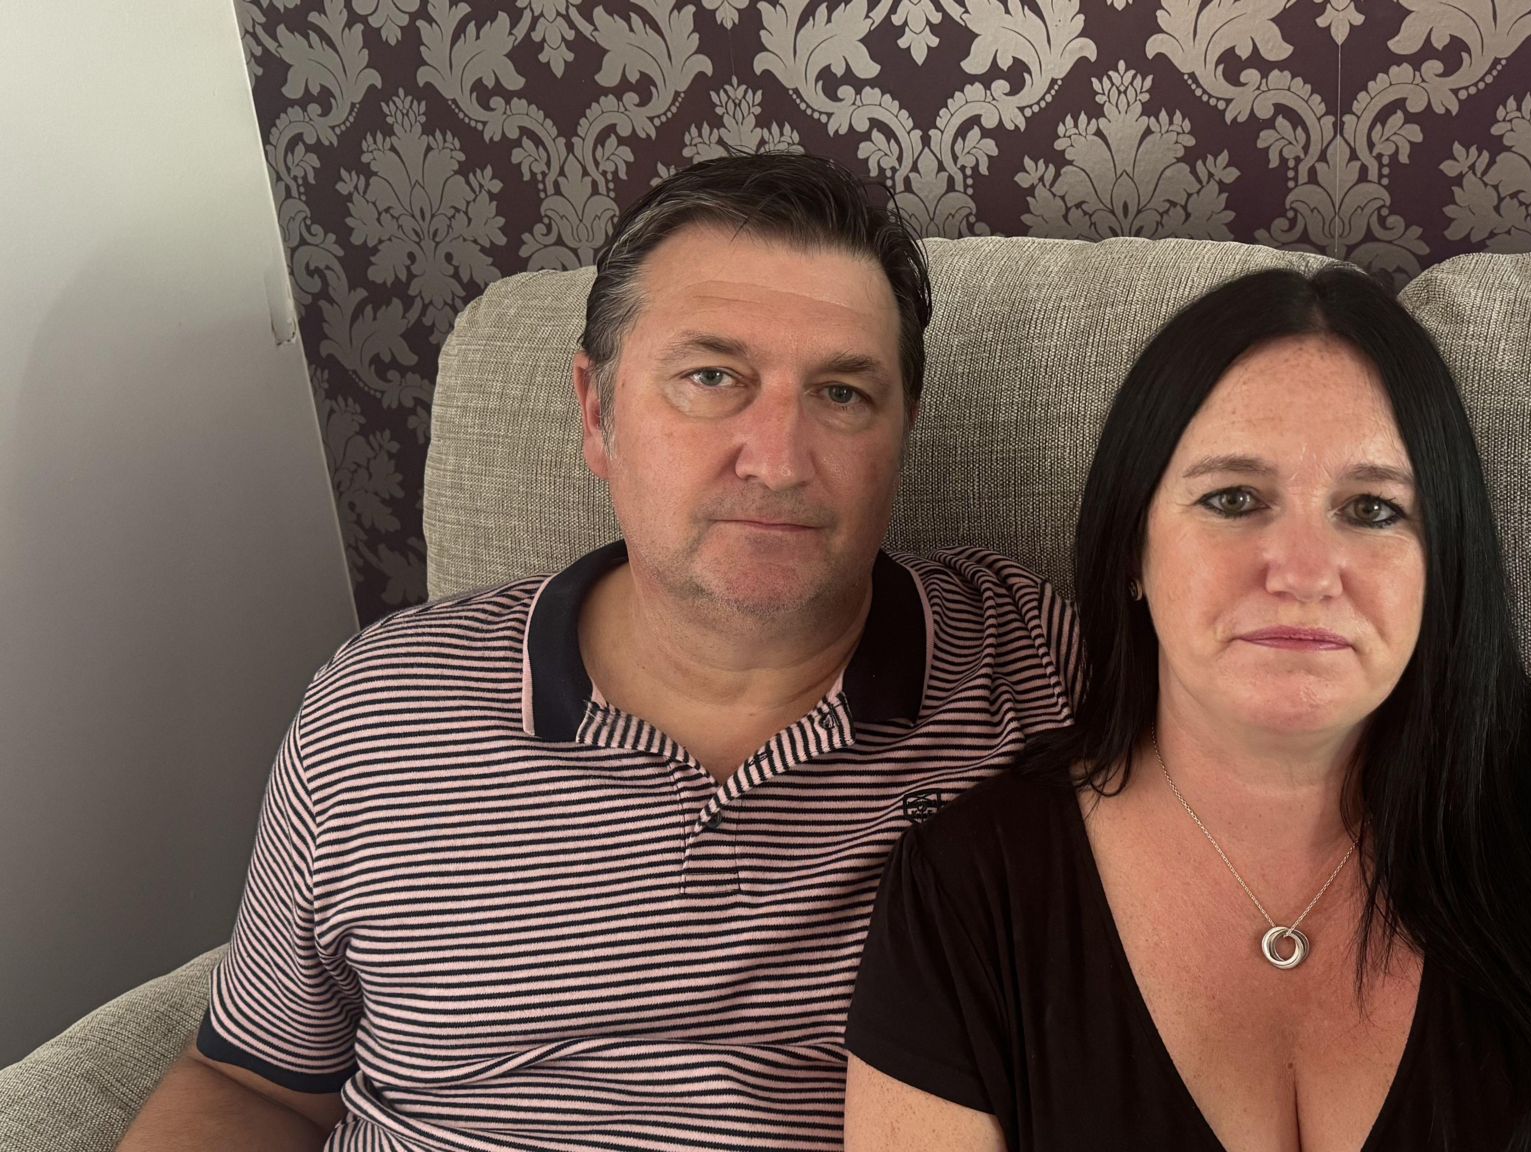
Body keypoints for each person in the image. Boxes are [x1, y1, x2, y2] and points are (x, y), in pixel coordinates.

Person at [118, 153, 1078, 1151]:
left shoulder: (1031, 668)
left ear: (901, 432)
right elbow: (252, 1083)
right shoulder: (379, 706)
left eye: (842, 395)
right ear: (596, 411)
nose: (781, 460)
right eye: (712, 378)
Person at [842, 266, 1531, 1150]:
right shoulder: (962, 901)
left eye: (1373, 509)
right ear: (1129, 554)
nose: (1302, 570)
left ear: (1443, 571)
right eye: (1233, 499)